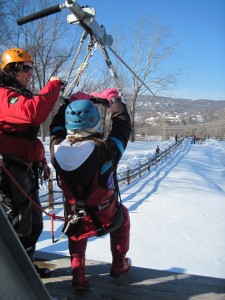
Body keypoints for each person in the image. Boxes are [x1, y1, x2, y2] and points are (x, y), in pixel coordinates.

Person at [49, 88, 132, 289]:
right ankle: (119, 263)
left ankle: (78, 275)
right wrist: (113, 100)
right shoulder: (106, 151)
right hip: (105, 215)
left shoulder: (56, 151)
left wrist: (68, 103)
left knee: (76, 233)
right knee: (123, 217)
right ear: (95, 122)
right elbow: (122, 127)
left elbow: (56, 130)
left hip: (76, 216)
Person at [0, 47, 63, 277]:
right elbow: (32, 114)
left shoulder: (20, 95)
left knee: (35, 223)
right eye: (26, 68)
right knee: (18, 223)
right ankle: (14, 276)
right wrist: (53, 86)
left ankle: (25, 267)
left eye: (31, 68)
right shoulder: (3, 96)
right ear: (12, 70)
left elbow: (29, 136)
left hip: (25, 168)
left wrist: (42, 161)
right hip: (8, 169)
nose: (30, 73)